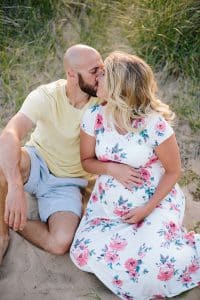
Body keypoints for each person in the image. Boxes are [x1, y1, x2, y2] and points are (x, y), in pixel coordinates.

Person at [70, 51, 200, 299]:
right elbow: (87, 161)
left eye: (104, 74)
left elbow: (174, 171)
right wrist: (110, 168)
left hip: (154, 203)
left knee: (152, 270)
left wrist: (147, 209)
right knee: (82, 254)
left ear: (119, 86)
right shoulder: (94, 116)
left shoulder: (153, 123)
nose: (97, 78)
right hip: (107, 210)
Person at [0, 44, 107, 264]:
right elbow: (10, 133)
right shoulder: (47, 95)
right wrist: (15, 185)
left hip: (67, 183)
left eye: (102, 69)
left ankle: (10, 218)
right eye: (94, 71)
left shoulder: (103, 102)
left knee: (60, 243)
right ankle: (1, 235)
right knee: (3, 163)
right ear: (72, 74)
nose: (100, 76)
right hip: (36, 161)